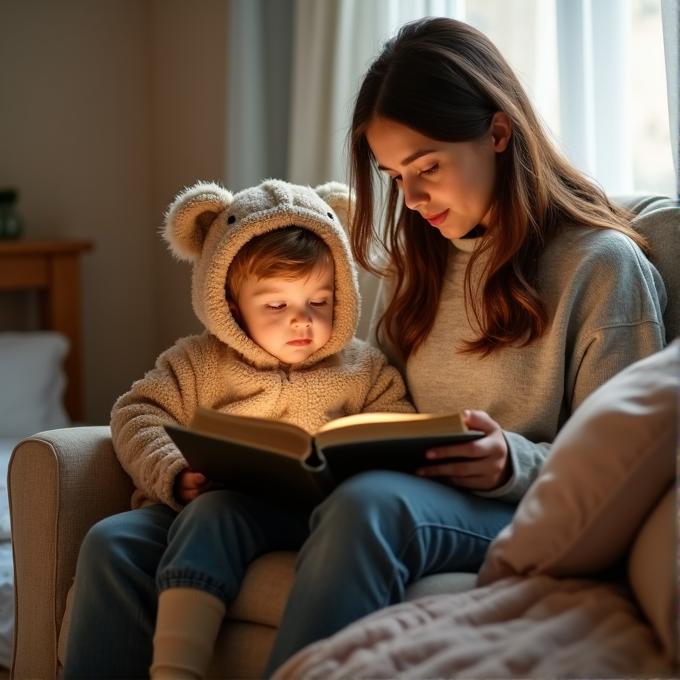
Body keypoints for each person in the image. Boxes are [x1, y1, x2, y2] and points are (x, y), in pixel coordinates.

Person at [261, 16, 667, 677]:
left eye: (426, 167)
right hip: (407, 487)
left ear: (498, 132)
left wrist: (511, 461)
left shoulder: (602, 267)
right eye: (395, 176)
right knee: (126, 536)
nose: (413, 197)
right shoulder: (417, 268)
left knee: (370, 508)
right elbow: (379, 399)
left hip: (514, 508)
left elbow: (627, 469)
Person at [62, 178, 414, 680]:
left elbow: (397, 425)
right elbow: (136, 413)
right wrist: (175, 470)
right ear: (230, 304)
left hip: (310, 514)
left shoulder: (363, 368)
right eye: (276, 306)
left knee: (219, 513)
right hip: (204, 500)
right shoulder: (199, 362)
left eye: (320, 301)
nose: (302, 322)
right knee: (110, 540)